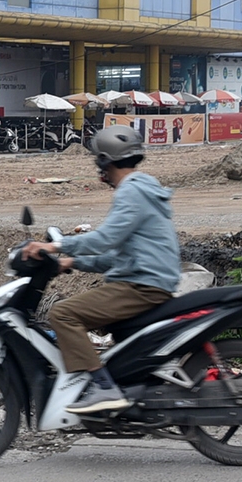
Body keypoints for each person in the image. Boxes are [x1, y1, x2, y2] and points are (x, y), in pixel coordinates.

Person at [21, 125, 181, 414]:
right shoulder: (144, 187)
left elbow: (104, 239)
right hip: (148, 280)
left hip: (141, 287)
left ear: (106, 161)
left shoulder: (130, 192)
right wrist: (73, 262)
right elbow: (117, 256)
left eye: (98, 161)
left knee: (63, 313)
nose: (98, 169)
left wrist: (54, 247)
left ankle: (102, 388)